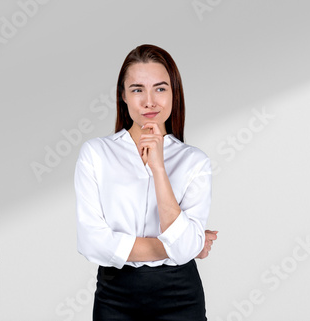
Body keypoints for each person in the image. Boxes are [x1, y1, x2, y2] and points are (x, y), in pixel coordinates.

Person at [74, 44, 218, 320]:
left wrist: (159, 169)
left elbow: (186, 248)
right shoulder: (96, 154)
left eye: (160, 89)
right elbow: (92, 242)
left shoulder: (194, 161)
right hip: (115, 295)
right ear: (123, 97)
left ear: (174, 94)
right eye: (138, 89)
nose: (149, 101)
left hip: (180, 295)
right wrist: (182, 245)